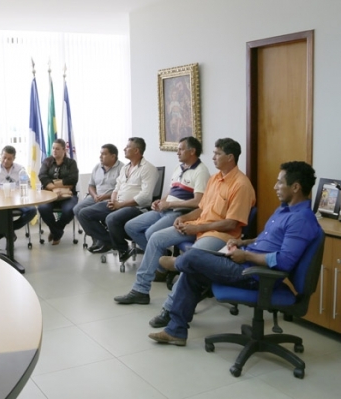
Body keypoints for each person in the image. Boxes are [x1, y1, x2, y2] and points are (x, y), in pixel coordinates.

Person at [148, 161, 320, 346]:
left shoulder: (300, 220)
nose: (275, 186)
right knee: (194, 269)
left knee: (193, 256)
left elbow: (284, 261)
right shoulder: (284, 210)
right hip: (245, 261)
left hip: (255, 275)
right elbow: (267, 241)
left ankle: (178, 263)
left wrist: (246, 256)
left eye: (280, 183)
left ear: (295, 187)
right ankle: (176, 331)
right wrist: (243, 242)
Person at [114, 138, 255, 311]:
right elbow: (201, 209)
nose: (213, 157)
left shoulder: (241, 184)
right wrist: (185, 218)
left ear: (230, 157)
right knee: (156, 237)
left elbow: (231, 223)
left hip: (220, 234)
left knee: (192, 255)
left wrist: (197, 227)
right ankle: (140, 290)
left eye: (217, 154)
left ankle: (171, 307)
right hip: (199, 225)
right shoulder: (215, 179)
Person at [123, 136, 210, 258]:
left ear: (192, 151)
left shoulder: (201, 171)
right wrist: (161, 201)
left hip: (179, 213)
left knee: (150, 233)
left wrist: (170, 204)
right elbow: (171, 192)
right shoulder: (178, 168)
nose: (177, 153)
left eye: (181, 150)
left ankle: (160, 265)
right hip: (165, 208)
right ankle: (162, 259)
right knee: (130, 226)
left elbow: (198, 202)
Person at [77, 137, 158, 260]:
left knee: (111, 218)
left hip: (135, 207)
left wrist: (121, 205)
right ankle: (109, 241)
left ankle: (122, 249)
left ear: (136, 150)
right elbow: (117, 188)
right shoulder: (126, 168)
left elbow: (145, 197)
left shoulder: (148, 169)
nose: (124, 149)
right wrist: (113, 200)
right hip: (117, 203)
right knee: (83, 213)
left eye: (127, 147)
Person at [73, 144, 124, 252]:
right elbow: (91, 186)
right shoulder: (97, 167)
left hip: (111, 199)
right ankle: (99, 239)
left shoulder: (122, 169)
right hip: (95, 197)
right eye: (100, 154)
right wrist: (95, 195)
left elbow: (122, 190)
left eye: (104, 154)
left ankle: (104, 241)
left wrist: (105, 196)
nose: (100, 156)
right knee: (77, 209)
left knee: (84, 213)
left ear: (113, 156)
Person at [0, 145, 36, 231]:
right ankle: (8, 232)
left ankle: (8, 230)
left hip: (17, 200)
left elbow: (27, 185)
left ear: (14, 159)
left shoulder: (20, 169)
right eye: (4, 157)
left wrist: (18, 190)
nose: (6, 161)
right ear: (1, 156)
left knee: (32, 210)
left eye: (9, 159)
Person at [38, 139, 79, 245]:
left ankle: (55, 230)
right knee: (43, 208)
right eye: (53, 148)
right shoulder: (47, 162)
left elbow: (73, 180)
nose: (54, 151)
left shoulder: (71, 163)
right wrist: (55, 188)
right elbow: (42, 177)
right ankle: (57, 232)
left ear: (64, 150)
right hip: (49, 195)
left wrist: (52, 183)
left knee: (69, 209)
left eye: (57, 149)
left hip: (68, 195)